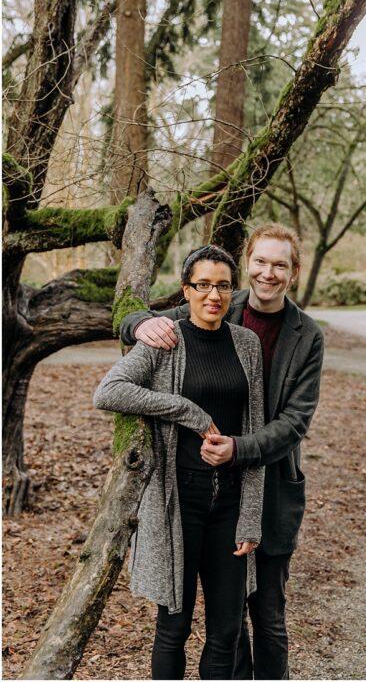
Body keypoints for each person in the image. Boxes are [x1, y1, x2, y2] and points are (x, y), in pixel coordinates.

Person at [119, 223, 324, 680]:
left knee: (265, 618)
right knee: (189, 623)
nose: (269, 273)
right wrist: (138, 323)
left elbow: (294, 422)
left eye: (281, 264)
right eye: (261, 262)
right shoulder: (218, 301)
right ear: (248, 263)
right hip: (191, 487)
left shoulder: (305, 335)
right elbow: (148, 321)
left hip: (265, 485)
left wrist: (238, 449)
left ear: (294, 272)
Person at [94, 245, 265, 679]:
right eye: (203, 285)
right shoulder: (166, 337)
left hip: (229, 502)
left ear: (232, 292)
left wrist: (251, 515)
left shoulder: (246, 344)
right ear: (186, 291)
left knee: (227, 630)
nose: (214, 295)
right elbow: (109, 391)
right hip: (177, 503)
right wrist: (186, 410)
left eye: (223, 285)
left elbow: (257, 430)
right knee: (174, 626)